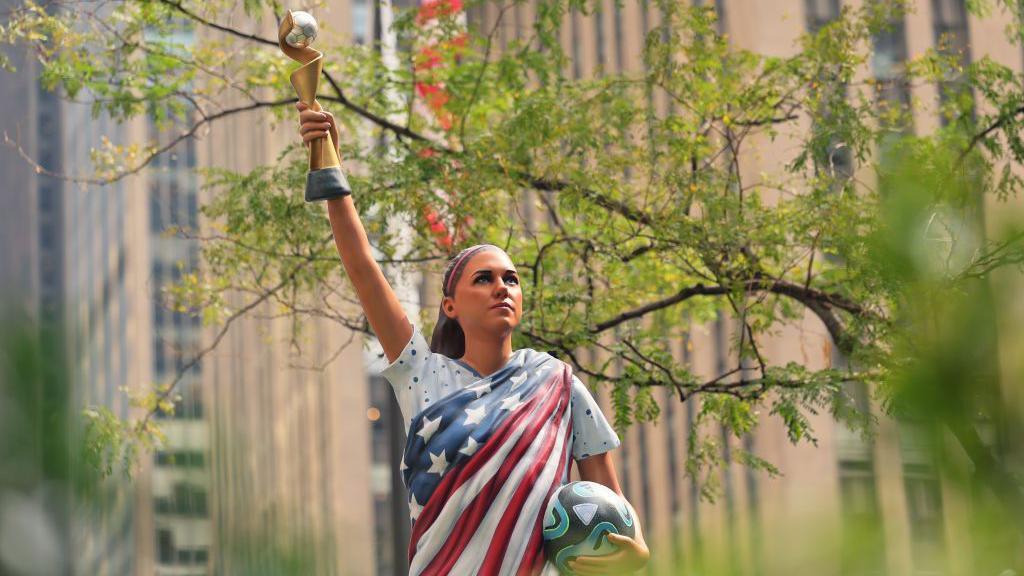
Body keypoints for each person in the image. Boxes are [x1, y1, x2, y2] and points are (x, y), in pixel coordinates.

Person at [297, 101, 650, 575]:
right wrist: (327, 161)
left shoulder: (558, 384)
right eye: (483, 279)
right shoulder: (422, 372)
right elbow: (363, 268)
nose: (502, 287)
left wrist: (637, 555)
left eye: (512, 279)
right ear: (450, 306)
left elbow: (614, 506)